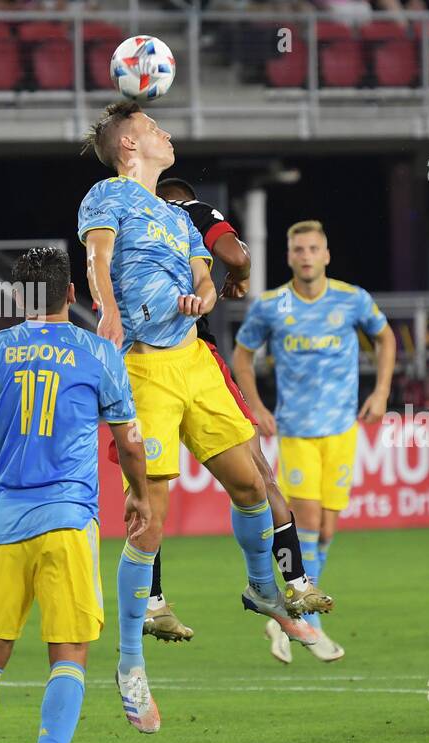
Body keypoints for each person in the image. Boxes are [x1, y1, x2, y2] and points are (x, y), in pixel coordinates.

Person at [79, 100, 293, 733]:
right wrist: (107, 309)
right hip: (144, 369)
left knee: (253, 483)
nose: (165, 134)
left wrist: (204, 291)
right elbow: (98, 257)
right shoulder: (107, 195)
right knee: (148, 517)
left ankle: (261, 587)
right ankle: (129, 664)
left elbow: (204, 272)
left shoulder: (177, 216)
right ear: (128, 148)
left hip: (194, 360)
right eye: (152, 128)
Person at [0, 246, 151, 743]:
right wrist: (140, 494)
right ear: (72, 293)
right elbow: (129, 441)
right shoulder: (98, 353)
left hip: (3, 525)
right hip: (69, 521)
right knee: (68, 653)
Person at [145, 176, 333, 660]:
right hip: (193, 356)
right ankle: (292, 579)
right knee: (258, 477)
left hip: (138, 363)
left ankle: (154, 601)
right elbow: (237, 255)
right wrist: (241, 273)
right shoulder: (192, 211)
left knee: (146, 491)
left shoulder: (129, 223)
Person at [233, 218, 397, 662]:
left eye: (313, 249)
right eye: (298, 250)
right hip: (297, 432)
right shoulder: (271, 306)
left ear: (326, 255)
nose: (306, 256)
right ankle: (307, 623)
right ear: (289, 257)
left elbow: (386, 337)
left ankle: (283, 615)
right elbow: (241, 356)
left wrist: (381, 392)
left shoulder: (351, 299)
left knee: (326, 530)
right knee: (304, 524)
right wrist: (255, 407)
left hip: (342, 430)